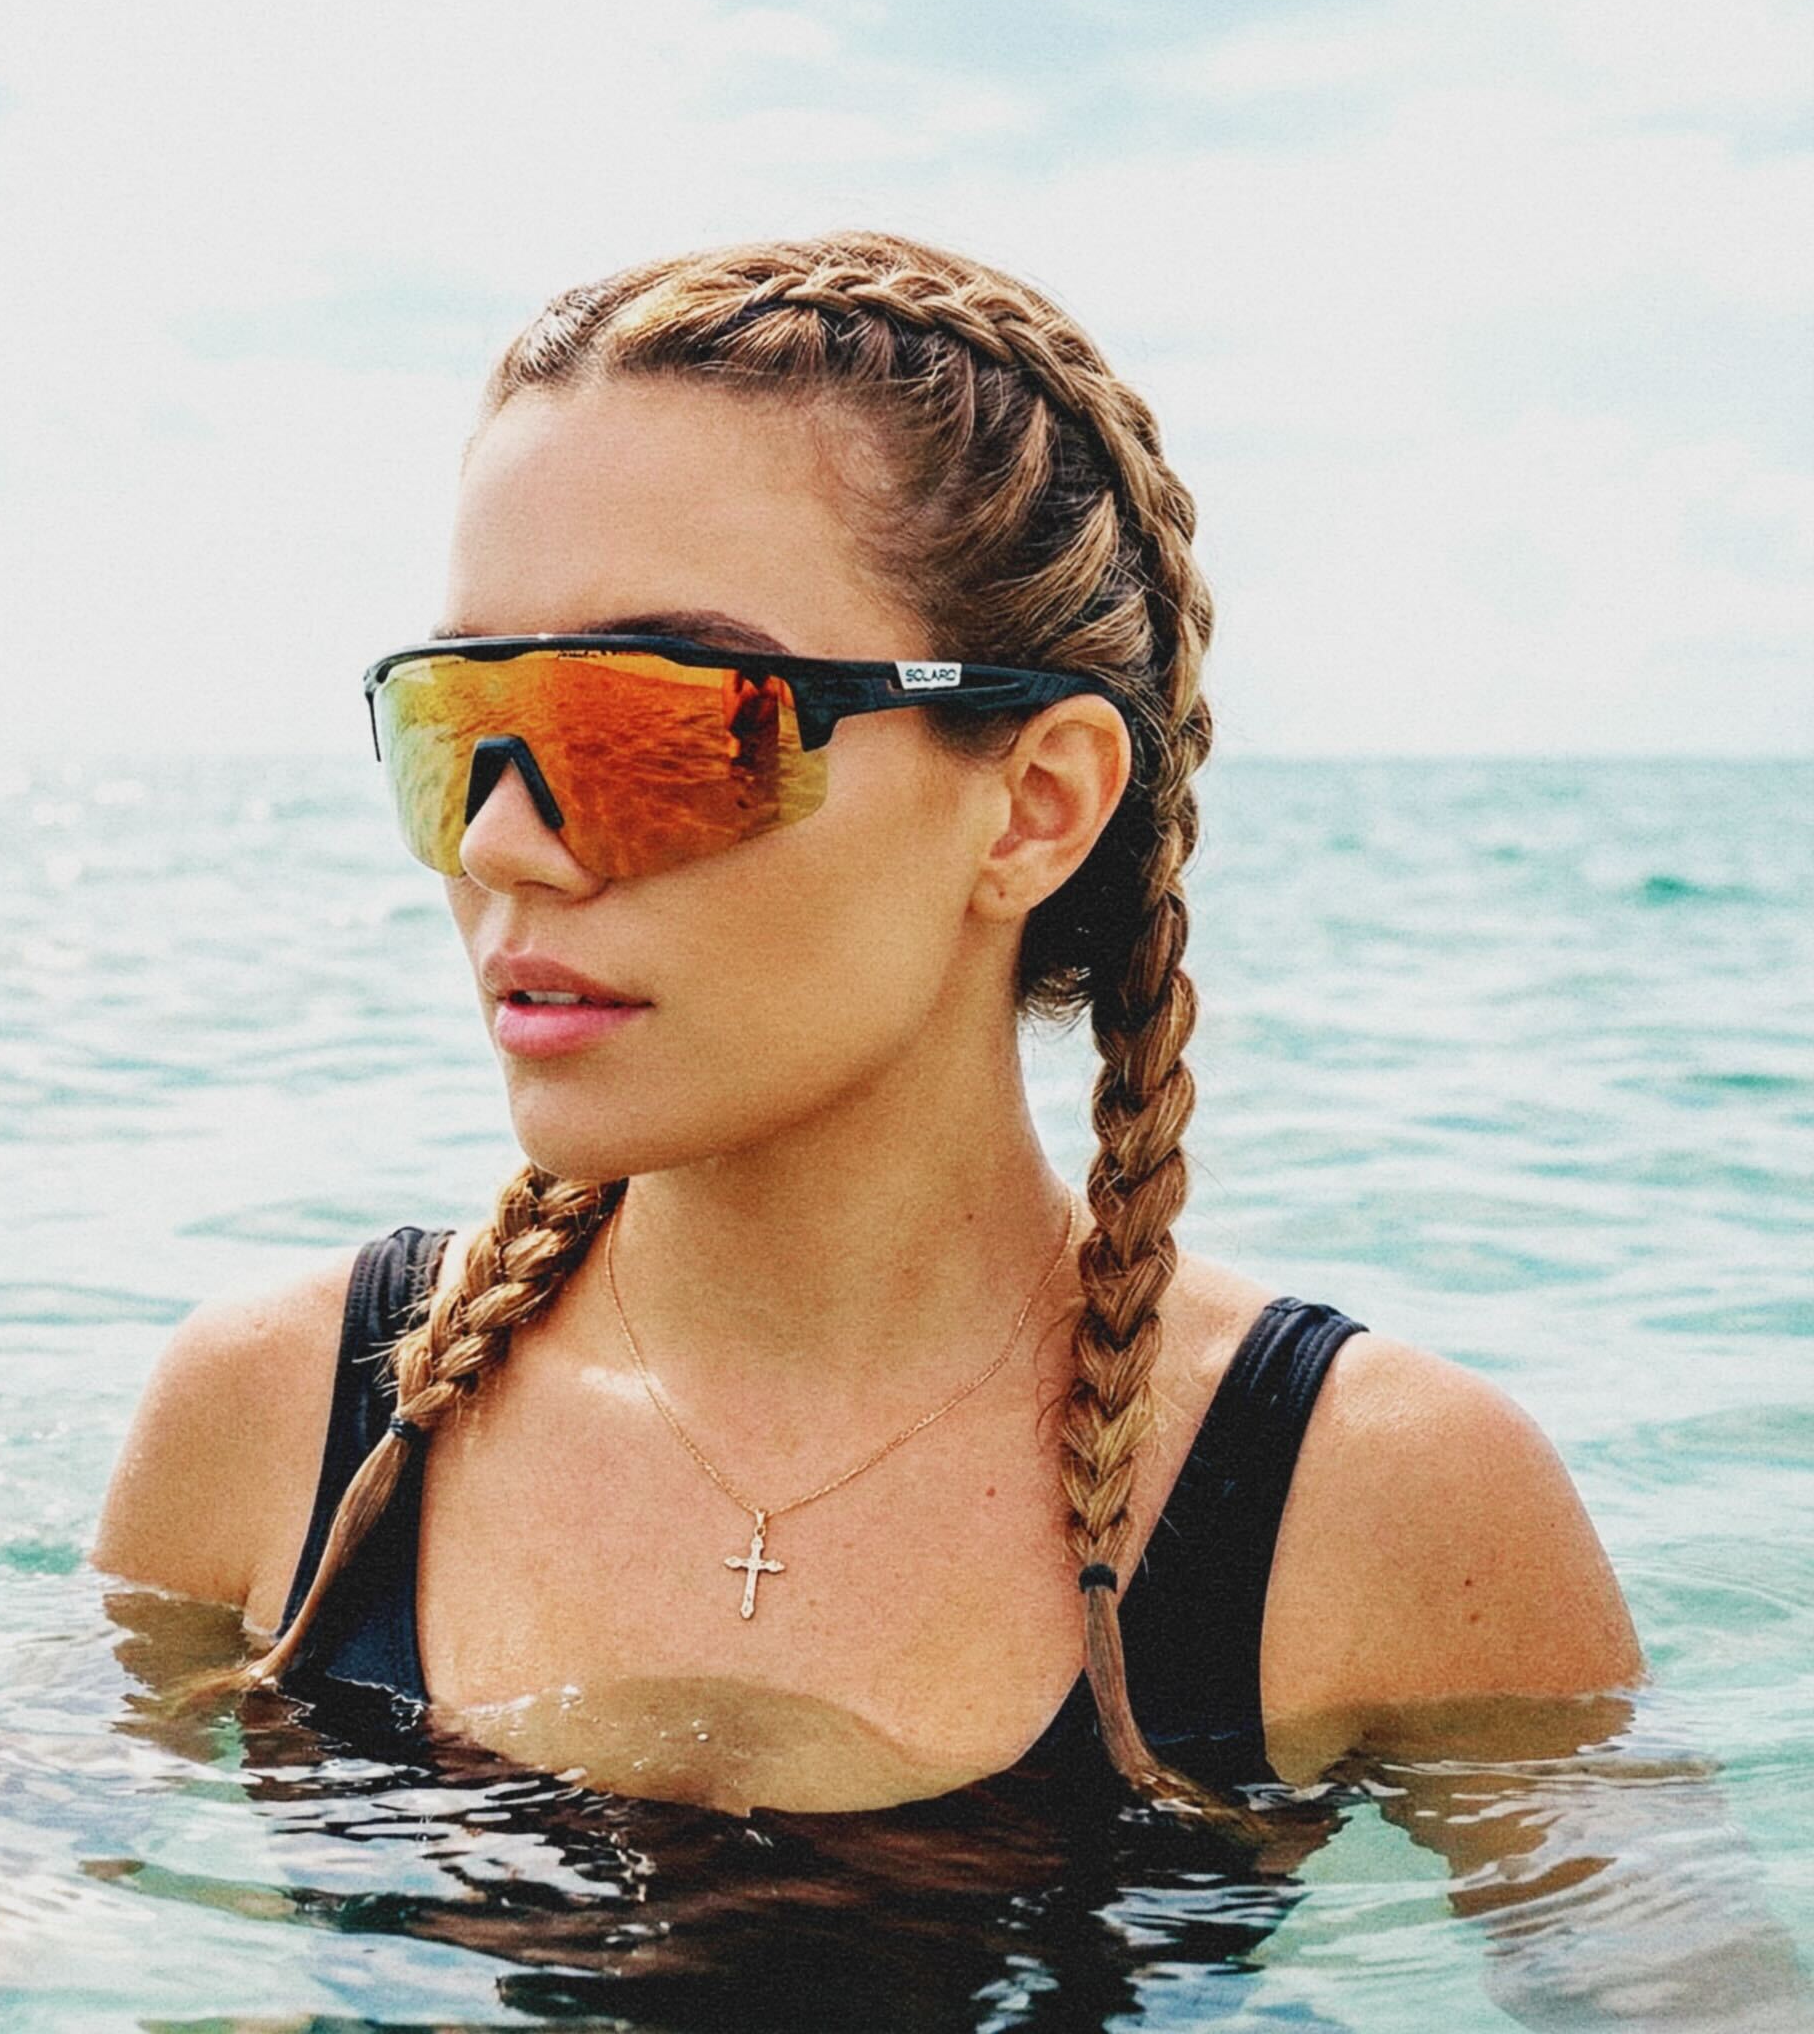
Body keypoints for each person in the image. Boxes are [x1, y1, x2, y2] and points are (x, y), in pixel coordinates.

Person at [91, 231, 1643, 1830]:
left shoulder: (1373, 1501)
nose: (501, 842)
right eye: (462, 721)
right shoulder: (282, 1414)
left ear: (1034, 810)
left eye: (664, 723)